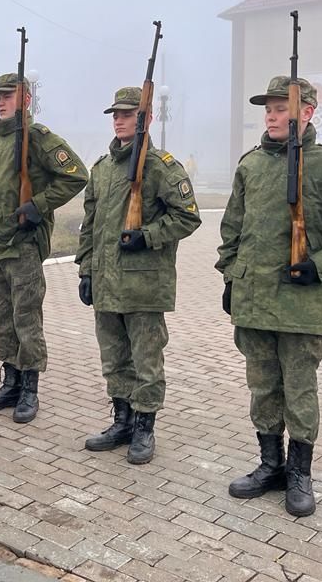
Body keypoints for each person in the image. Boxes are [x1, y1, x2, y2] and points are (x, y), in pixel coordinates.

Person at [216, 75, 322, 517]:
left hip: (301, 304)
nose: (272, 116)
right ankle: (270, 465)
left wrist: (320, 264)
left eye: (281, 108)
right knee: (263, 387)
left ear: (307, 112)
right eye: (267, 109)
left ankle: (299, 472)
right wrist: (231, 277)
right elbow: (232, 229)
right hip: (254, 301)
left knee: (300, 390)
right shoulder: (250, 165)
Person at [75, 87, 201, 464]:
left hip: (144, 283)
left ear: (145, 118)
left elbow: (187, 216)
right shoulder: (102, 168)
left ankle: (145, 428)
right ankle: (122, 421)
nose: (118, 120)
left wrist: (147, 236)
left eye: (127, 114)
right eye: (115, 114)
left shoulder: (161, 166)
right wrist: (85, 269)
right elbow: (90, 225)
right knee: (114, 359)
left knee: (146, 359)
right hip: (107, 282)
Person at [0, 73, 88, 423]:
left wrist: (39, 204)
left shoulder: (38, 139)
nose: (1, 101)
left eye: (8, 95)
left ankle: (30, 389)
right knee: (0, 320)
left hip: (23, 245)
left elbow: (76, 175)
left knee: (26, 319)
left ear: (25, 99)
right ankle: (11, 380)